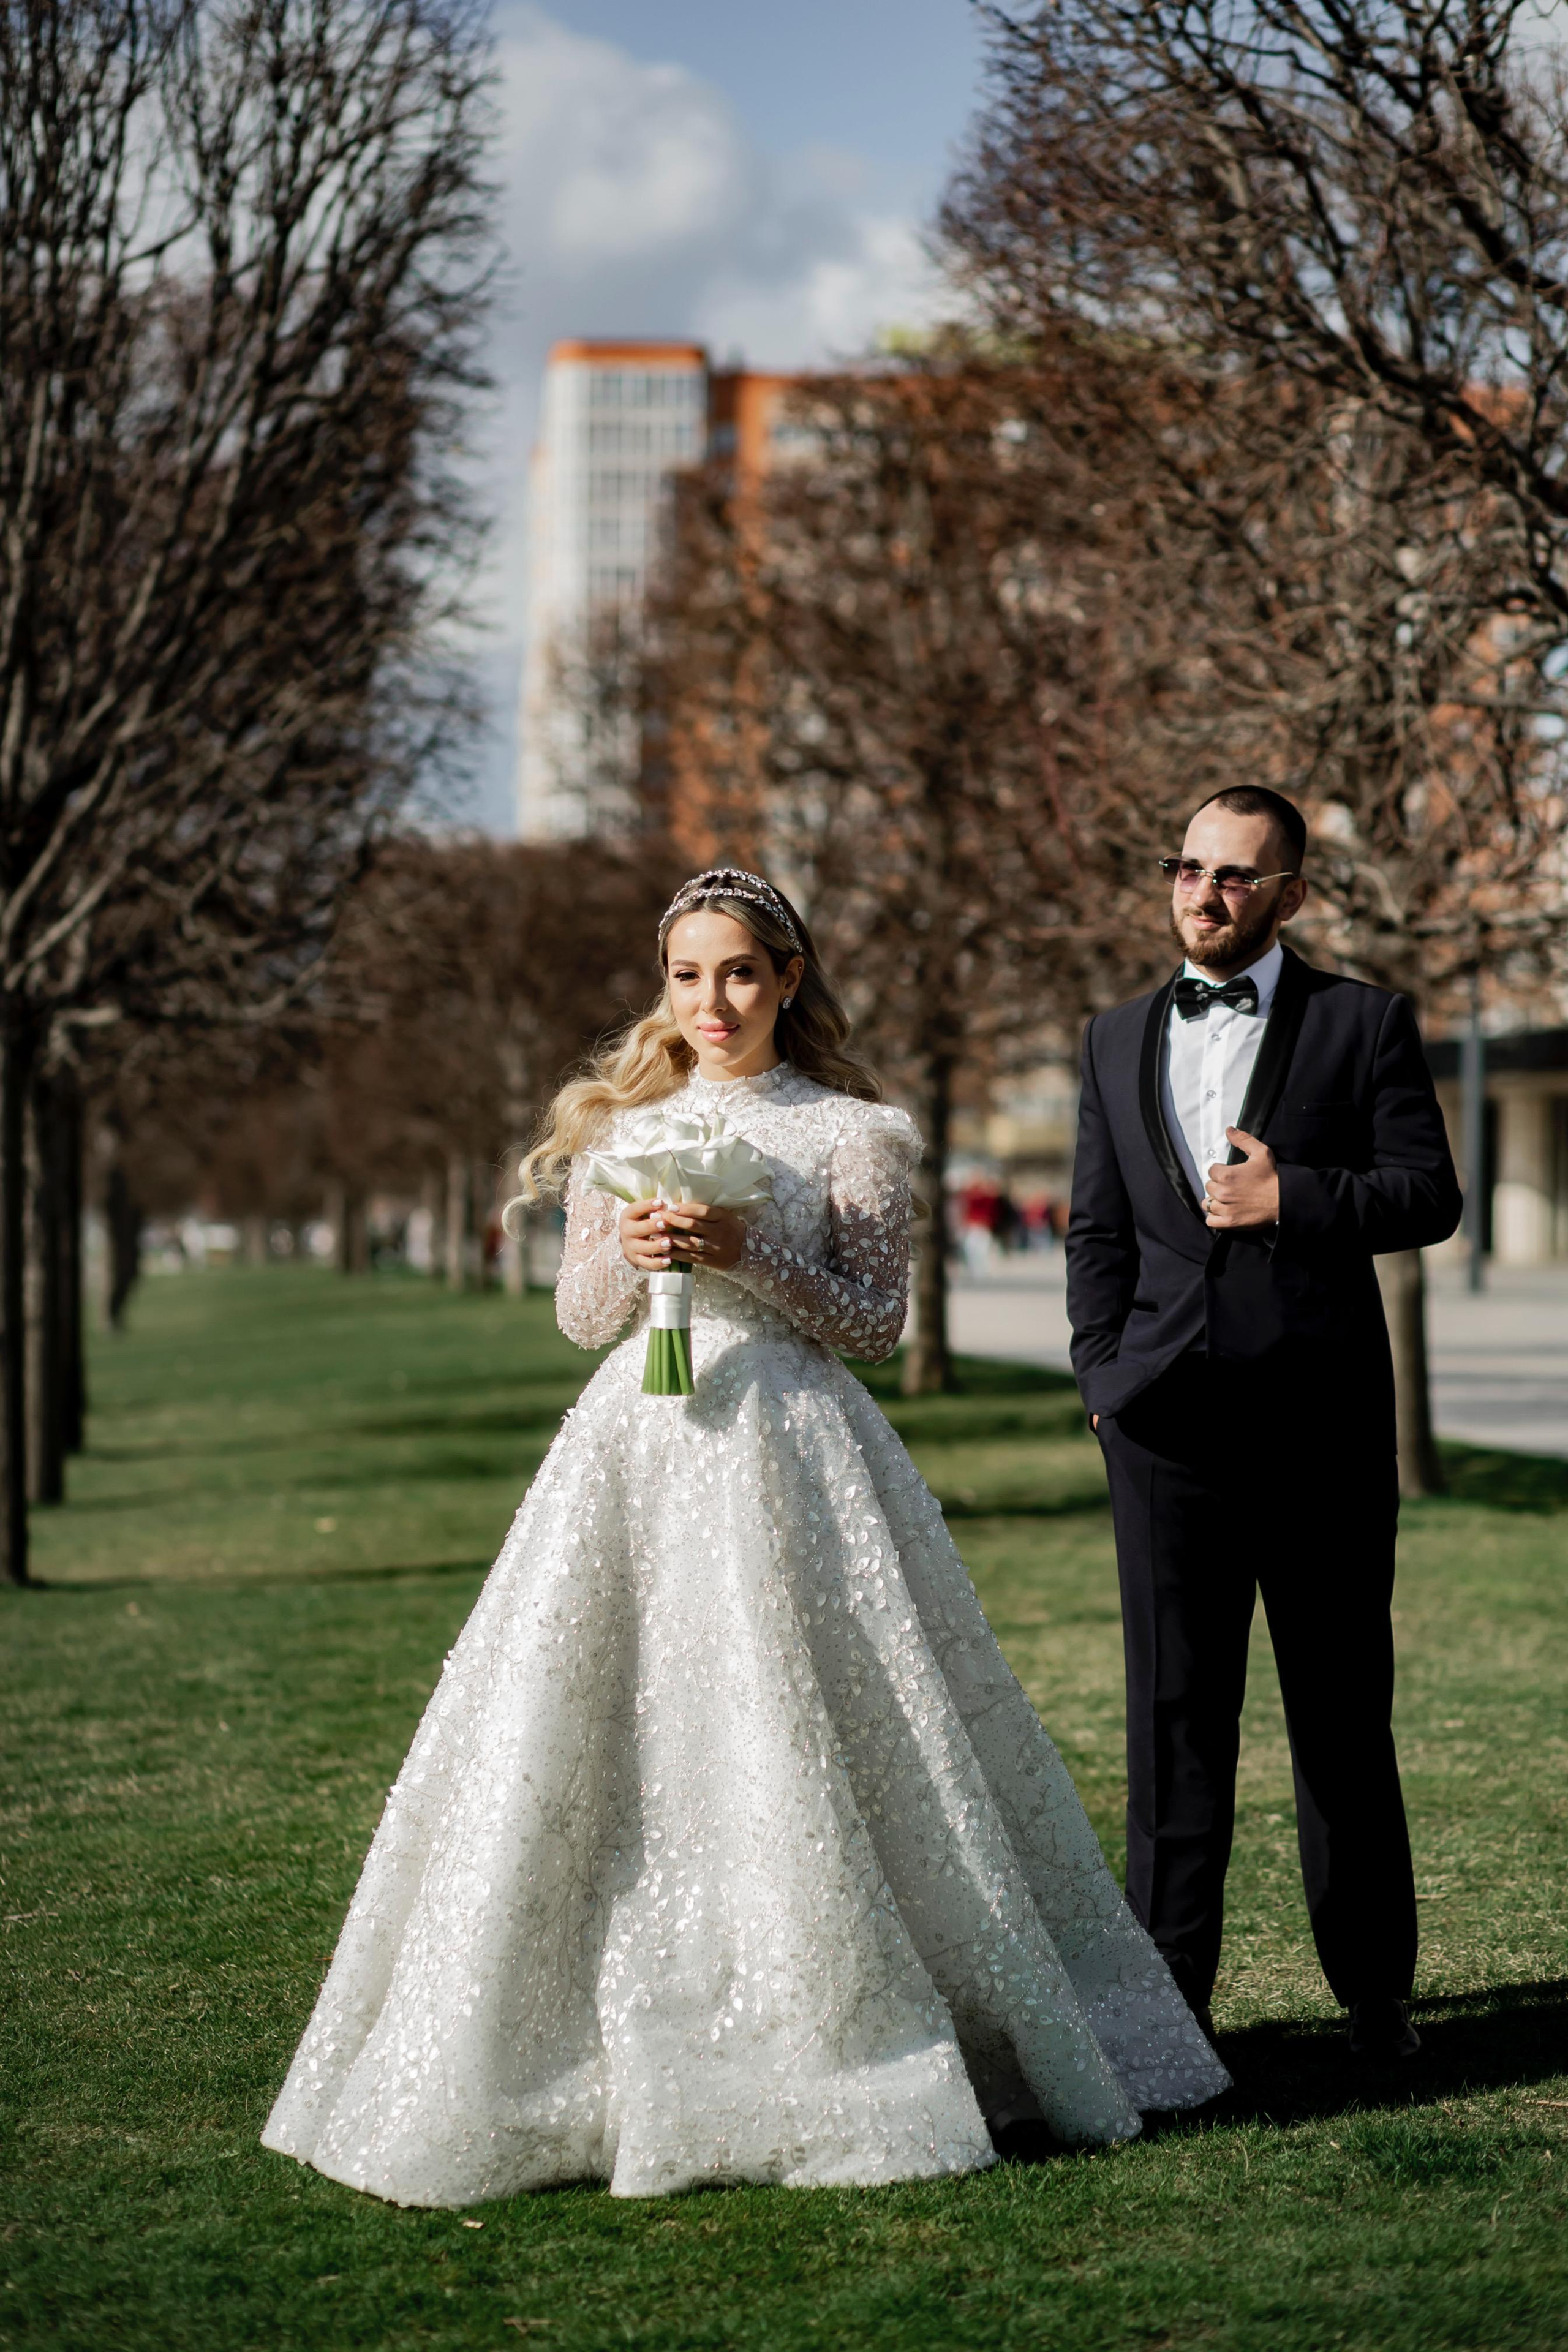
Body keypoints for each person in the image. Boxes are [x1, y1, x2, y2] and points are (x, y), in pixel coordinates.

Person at [262, 867, 1226, 2209]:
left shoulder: (857, 1132)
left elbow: (870, 1325)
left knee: (813, 1719)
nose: (709, 1002)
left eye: (735, 973)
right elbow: (583, 1317)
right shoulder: (620, 1128)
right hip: (634, 1454)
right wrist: (646, 1250)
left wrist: (741, 1251)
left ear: (784, 979)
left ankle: (862, 2025)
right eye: (684, 976)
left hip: (792, 1447)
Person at [1065, 789, 1462, 2059]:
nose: (1203, 893)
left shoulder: (1363, 1024)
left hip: (1318, 1429)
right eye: (1187, 867)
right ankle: (1167, 2005)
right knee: (1171, 1720)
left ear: (1289, 894)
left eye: (1236, 876)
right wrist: (1099, 1382)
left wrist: (1296, 1193)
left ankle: (1373, 1998)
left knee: (1338, 1715)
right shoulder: (1110, 1036)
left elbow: (1428, 1196)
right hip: (1161, 1429)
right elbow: (1095, 1229)